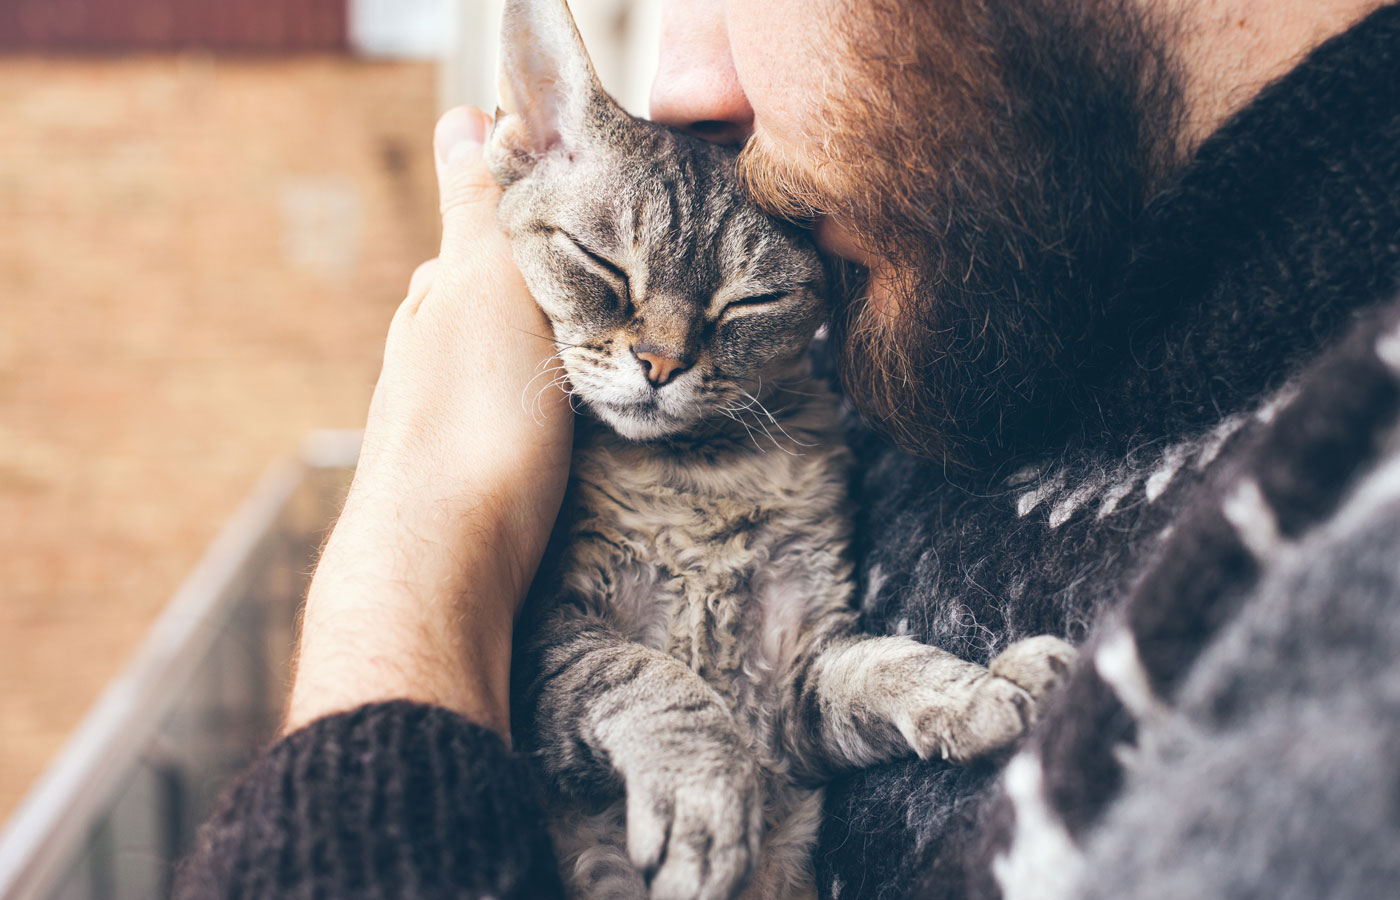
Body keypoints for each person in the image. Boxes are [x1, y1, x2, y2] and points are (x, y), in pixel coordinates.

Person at [175, 0, 1400, 897]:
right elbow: (788, 688)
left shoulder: (1345, 616)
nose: (685, 85)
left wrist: (410, 555)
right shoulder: (934, 294)